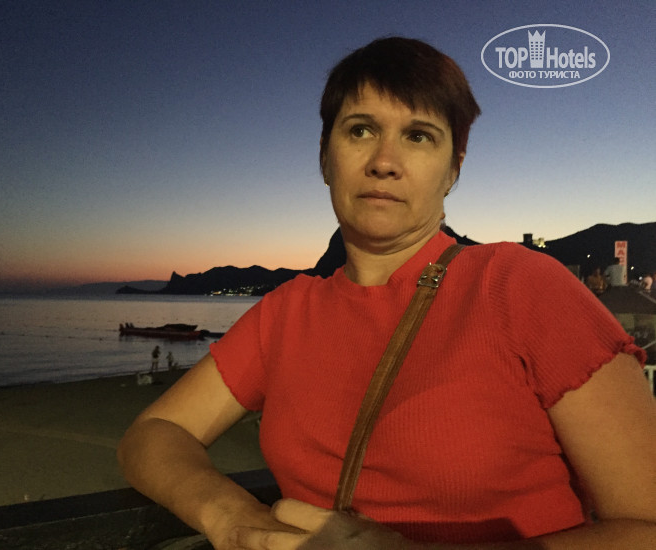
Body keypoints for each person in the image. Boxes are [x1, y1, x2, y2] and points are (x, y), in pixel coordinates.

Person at [118, 37, 656, 549]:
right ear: (325, 157)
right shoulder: (288, 312)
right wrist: (229, 515)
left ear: (453, 168)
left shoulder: (519, 285)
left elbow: (644, 526)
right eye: (360, 130)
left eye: (419, 136)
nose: (384, 161)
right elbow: (155, 432)